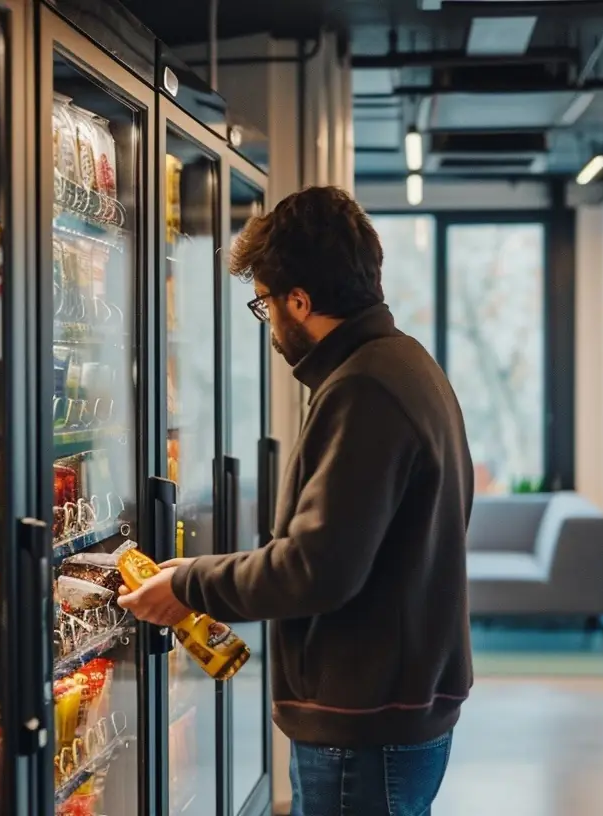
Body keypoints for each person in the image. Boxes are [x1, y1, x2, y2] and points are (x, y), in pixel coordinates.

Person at [118, 186, 474, 816]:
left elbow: (317, 569)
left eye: (266, 303)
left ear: (300, 301)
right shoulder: (404, 364)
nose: (271, 326)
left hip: (364, 726)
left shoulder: (363, 389)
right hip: (396, 712)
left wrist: (192, 584)